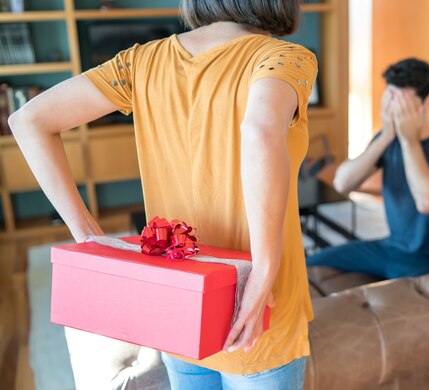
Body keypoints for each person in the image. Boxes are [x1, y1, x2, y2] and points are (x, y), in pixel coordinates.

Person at [9, 1, 316, 389]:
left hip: (178, 301)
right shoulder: (285, 57)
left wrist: (88, 237)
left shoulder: (142, 61)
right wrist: (264, 272)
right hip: (257, 311)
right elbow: (258, 131)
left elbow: (28, 120)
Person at [307, 58, 429, 280]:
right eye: (390, 97)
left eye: (401, 101)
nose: (393, 108)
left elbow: (428, 202)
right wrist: (386, 136)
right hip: (391, 247)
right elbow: (342, 183)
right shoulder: (388, 139)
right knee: (310, 263)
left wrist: (408, 140)